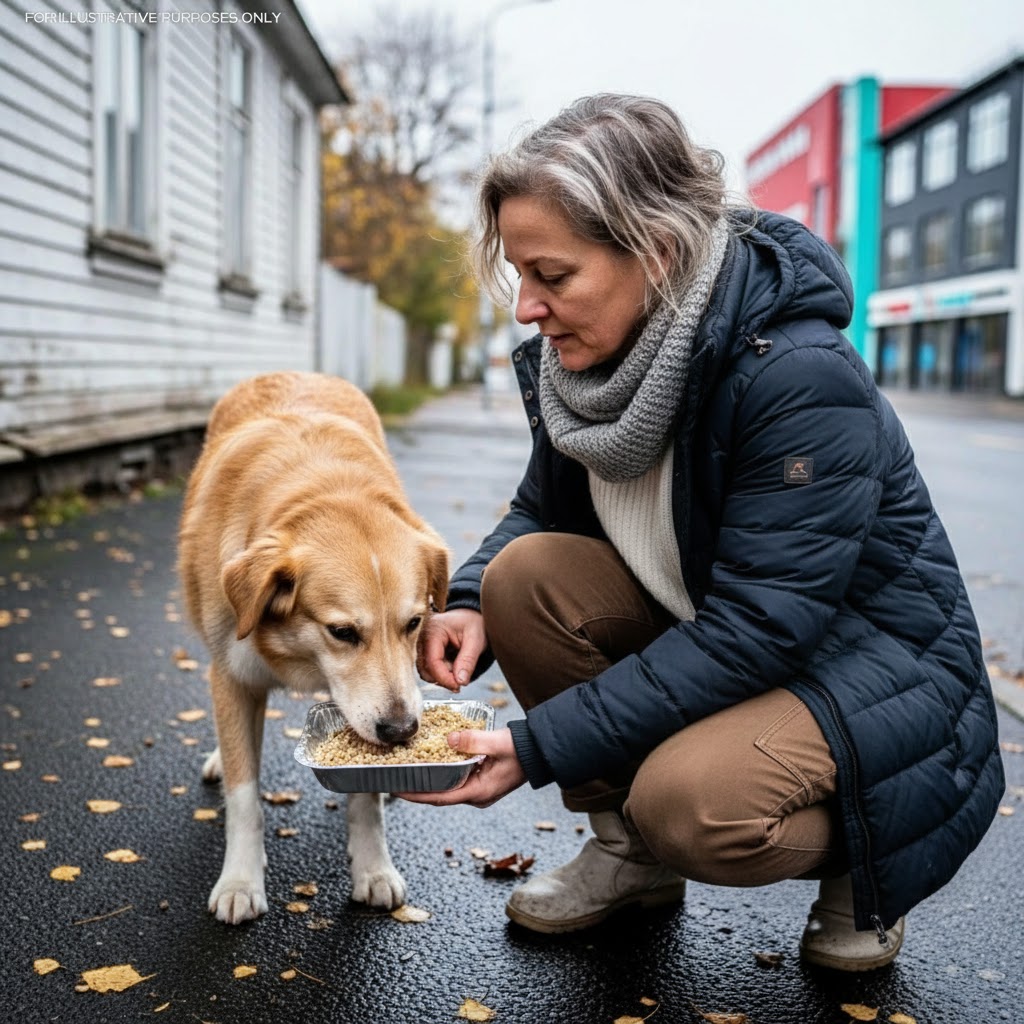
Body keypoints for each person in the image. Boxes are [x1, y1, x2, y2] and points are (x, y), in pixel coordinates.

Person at [400, 94, 1004, 971]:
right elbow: (543, 511)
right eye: (520, 275)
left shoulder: (797, 378)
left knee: (689, 805)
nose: (527, 306)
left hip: (870, 675)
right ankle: (628, 859)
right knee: (522, 577)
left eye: (554, 275)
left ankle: (866, 869)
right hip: (727, 639)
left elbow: (764, 627)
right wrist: (466, 603)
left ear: (657, 251)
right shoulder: (596, 368)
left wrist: (537, 748)